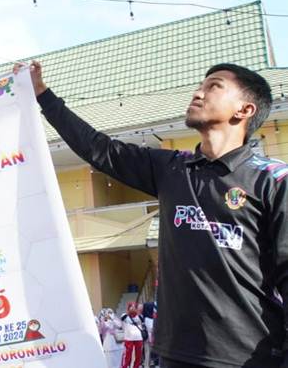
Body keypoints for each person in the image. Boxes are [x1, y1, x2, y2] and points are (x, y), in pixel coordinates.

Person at [18, 61, 288, 368]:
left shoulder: (273, 181)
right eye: (201, 85)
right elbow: (99, 149)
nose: (198, 92)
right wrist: (43, 94)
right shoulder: (170, 168)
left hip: (250, 358)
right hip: (174, 354)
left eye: (214, 86)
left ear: (245, 110)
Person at [120, 302, 145, 368]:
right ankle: (124, 366)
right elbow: (122, 318)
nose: (133, 308)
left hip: (138, 338)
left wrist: (136, 312)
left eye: (134, 306)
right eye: (131, 306)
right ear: (128, 308)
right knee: (127, 354)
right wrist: (129, 312)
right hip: (129, 338)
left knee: (138, 355)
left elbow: (142, 320)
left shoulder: (139, 316)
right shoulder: (125, 315)